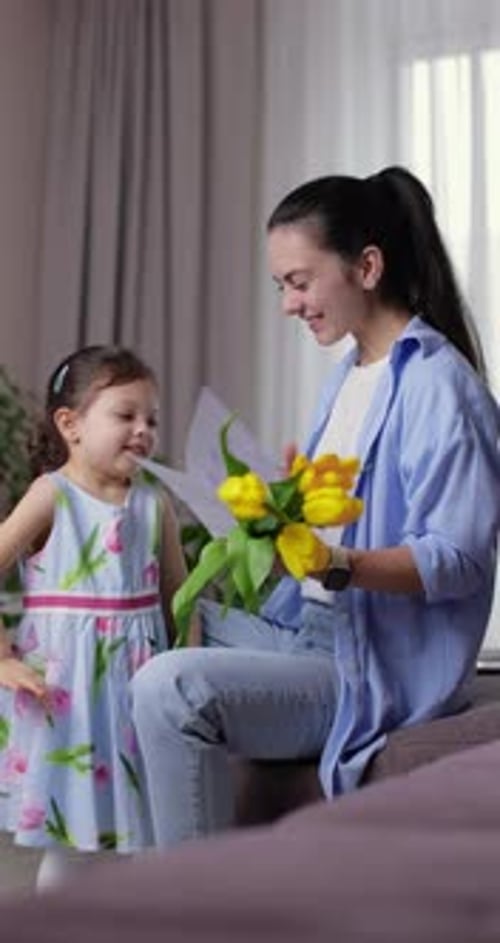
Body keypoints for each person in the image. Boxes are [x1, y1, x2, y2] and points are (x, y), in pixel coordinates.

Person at [131, 166, 500, 847]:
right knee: (139, 618)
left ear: (366, 266)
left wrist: (338, 562)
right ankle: (84, 850)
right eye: (281, 287)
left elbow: (460, 559)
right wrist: (283, 508)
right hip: (305, 628)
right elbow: (340, 516)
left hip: (364, 663)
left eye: (299, 282)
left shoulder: (440, 387)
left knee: (169, 687)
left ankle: (192, 901)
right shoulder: (349, 374)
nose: (288, 304)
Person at [0, 345, 193, 889]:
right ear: (71, 425)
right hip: (69, 698)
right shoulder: (51, 496)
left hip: (138, 690)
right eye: (125, 415)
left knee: (149, 829)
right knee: (75, 836)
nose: (143, 430)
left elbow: (181, 601)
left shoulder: (154, 506)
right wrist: (4, 659)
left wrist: (190, 675)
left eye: (151, 419)